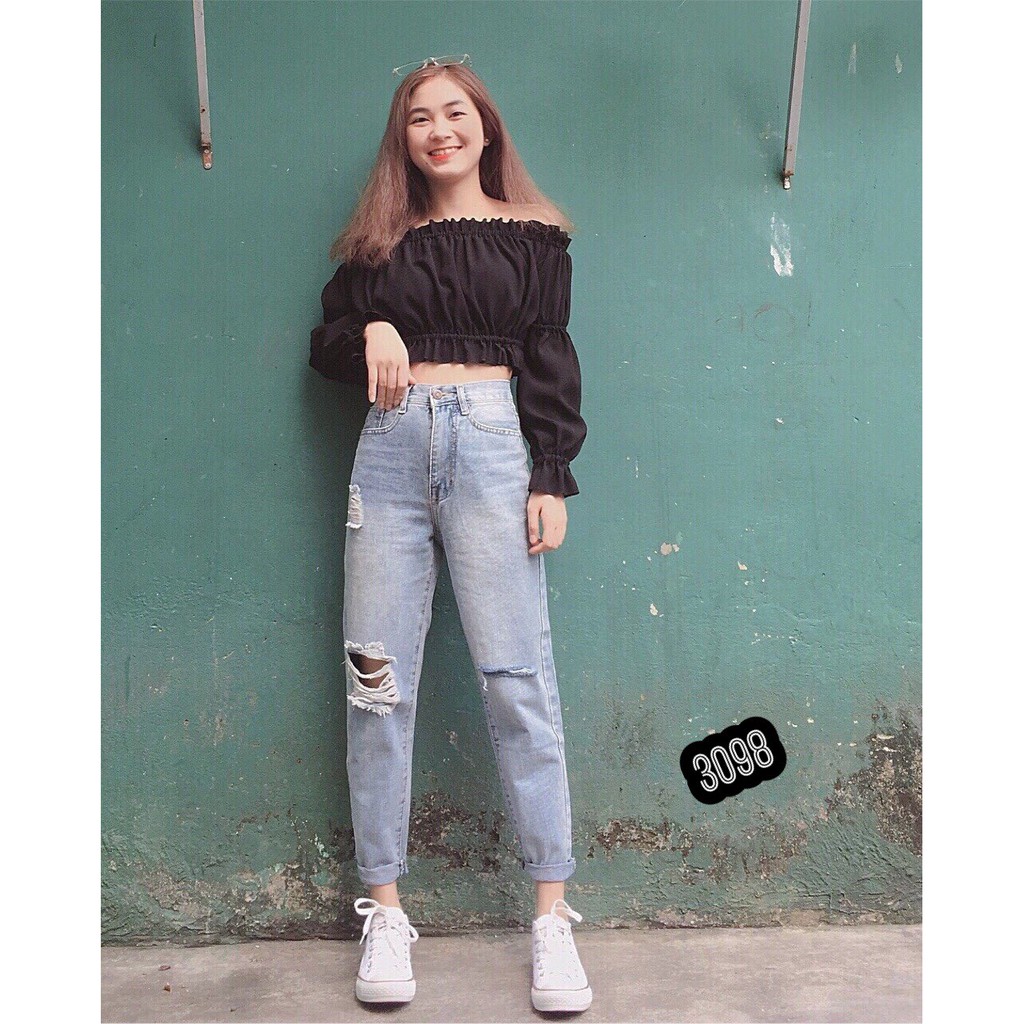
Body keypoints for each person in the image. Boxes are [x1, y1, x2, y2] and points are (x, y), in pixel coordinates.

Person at [308, 55, 590, 1013]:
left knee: (517, 679)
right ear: (405, 139)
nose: (440, 130)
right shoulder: (378, 246)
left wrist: (551, 474)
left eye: (455, 112)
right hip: (389, 457)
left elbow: (549, 355)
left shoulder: (536, 236)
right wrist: (372, 333)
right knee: (375, 682)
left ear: (485, 125)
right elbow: (326, 343)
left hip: (496, 451)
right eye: (420, 117)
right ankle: (385, 911)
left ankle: (551, 916)